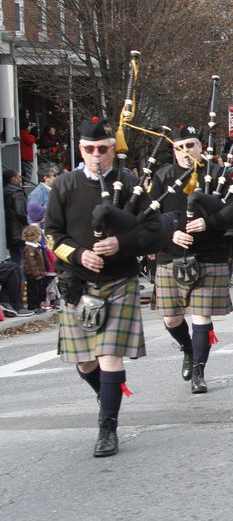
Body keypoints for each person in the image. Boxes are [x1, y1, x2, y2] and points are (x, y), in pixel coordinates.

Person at [44, 116, 163, 456]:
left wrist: (121, 244)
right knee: (84, 362)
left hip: (118, 280)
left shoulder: (131, 182)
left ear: (114, 149)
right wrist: (79, 255)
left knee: (110, 357)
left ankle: (107, 427)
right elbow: (52, 234)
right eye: (90, 148)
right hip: (78, 283)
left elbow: (153, 231)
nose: (97, 155)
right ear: (80, 149)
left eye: (104, 149)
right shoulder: (65, 186)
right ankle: (106, 395)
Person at [150, 124, 233, 393]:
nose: (185, 152)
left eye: (190, 145)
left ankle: (198, 372)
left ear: (201, 146)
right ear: (173, 150)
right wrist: (170, 234)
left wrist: (210, 222)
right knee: (170, 318)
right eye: (179, 147)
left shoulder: (217, 174)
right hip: (170, 254)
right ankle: (188, 349)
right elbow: (150, 216)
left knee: (201, 316)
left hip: (208, 253)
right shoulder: (162, 177)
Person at [21, 224, 50, 312]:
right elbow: (31, 263)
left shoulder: (36, 247)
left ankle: (38, 305)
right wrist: (37, 273)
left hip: (39, 274)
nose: (41, 237)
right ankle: (33, 306)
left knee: (39, 290)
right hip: (33, 275)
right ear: (34, 237)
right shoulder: (30, 249)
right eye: (39, 235)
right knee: (33, 291)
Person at [3, 168, 28, 266]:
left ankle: (16, 279)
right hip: (19, 231)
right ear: (13, 179)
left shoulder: (4, 191)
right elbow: (20, 212)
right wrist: (27, 224)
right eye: (18, 177)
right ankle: (22, 280)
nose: (20, 179)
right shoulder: (17, 193)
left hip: (9, 231)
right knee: (22, 259)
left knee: (15, 258)